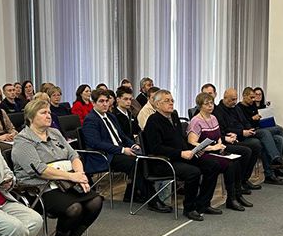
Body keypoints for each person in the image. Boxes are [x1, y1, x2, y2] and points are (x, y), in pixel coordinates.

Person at [11, 99, 103, 236]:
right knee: (74, 208)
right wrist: (72, 177)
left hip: (65, 182)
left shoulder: (54, 133)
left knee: (95, 202)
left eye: (49, 112)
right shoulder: (23, 140)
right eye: (43, 113)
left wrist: (80, 175)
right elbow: (40, 169)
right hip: (38, 188)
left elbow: (73, 155)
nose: (49, 116)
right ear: (31, 117)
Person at [82, 89, 168, 212]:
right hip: (104, 156)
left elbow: (122, 136)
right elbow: (96, 143)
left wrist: (133, 145)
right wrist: (122, 150)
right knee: (135, 163)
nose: (105, 104)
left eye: (106, 101)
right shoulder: (90, 119)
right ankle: (153, 200)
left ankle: (135, 194)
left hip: (117, 151)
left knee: (144, 158)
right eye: (101, 101)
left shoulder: (110, 116)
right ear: (94, 103)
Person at [143, 90, 222, 221]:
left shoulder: (174, 116)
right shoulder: (153, 121)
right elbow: (156, 148)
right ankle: (189, 208)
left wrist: (194, 149)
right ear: (157, 104)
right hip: (163, 161)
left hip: (180, 156)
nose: (171, 103)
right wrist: (180, 153)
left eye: (172, 100)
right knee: (193, 172)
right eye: (167, 101)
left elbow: (180, 139)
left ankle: (203, 204)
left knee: (213, 165)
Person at [188, 92, 252, 212]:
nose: (210, 106)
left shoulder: (213, 118)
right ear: (200, 106)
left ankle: (236, 195)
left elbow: (218, 136)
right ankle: (228, 199)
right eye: (207, 104)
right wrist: (212, 148)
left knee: (236, 161)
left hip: (215, 151)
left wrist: (220, 144)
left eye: (211, 103)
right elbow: (192, 143)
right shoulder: (196, 121)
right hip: (202, 154)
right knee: (229, 165)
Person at [238, 86, 283, 174]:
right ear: (244, 96)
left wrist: (259, 119)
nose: (253, 99)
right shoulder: (239, 108)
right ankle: (281, 157)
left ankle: (278, 165)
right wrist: (252, 119)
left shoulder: (252, 106)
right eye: (251, 97)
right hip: (249, 131)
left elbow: (256, 122)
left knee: (278, 138)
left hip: (257, 128)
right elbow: (243, 123)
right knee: (270, 131)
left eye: (254, 97)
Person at [214, 89, 269, 187]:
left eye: (236, 99)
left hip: (242, 135)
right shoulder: (218, 111)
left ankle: (245, 178)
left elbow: (244, 121)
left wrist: (248, 128)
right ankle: (240, 181)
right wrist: (242, 132)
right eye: (232, 99)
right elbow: (225, 130)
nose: (235, 102)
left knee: (258, 145)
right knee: (253, 146)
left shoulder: (236, 108)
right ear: (225, 98)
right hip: (231, 139)